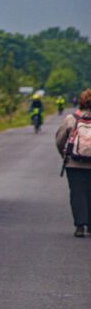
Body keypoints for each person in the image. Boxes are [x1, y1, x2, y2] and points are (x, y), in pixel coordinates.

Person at [55, 88, 91, 237]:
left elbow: (59, 140)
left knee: (77, 194)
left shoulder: (71, 119)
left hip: (74, 163)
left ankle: (80, 226)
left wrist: (65, 155)